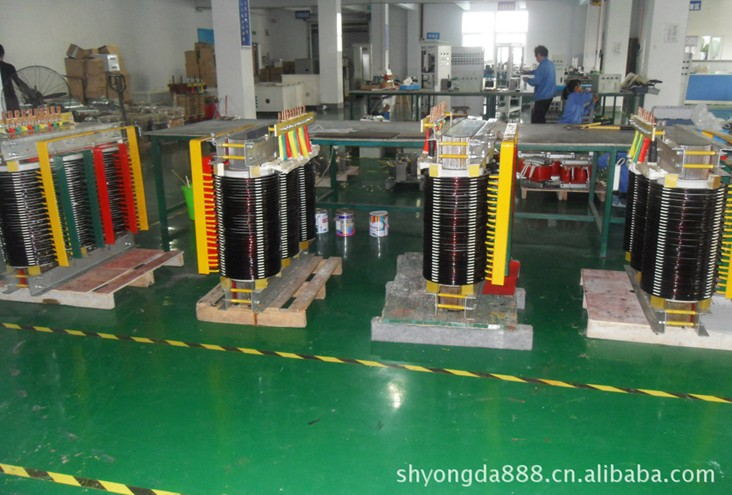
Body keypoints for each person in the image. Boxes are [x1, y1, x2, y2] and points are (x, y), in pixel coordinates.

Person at [0, 44, 41, 112]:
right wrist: (31, 93)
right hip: (10, 101)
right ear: (2, 55)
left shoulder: (8, 67)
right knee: (14, 117)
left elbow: (19, 83)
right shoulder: (8, 67)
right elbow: (19, 83)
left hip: (9, 101)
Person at [523, 45, 556, 124]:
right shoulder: (550, 64)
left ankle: (539, 132)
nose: (536, 58)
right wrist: (529, 72)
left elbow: (536, 81)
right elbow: (538, 72)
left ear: (539, 55)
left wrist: (527, 80)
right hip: (549, 95)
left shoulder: (543, 65)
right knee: (541, 116)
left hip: (542, 96)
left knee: (537, 120)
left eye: (536, 56)